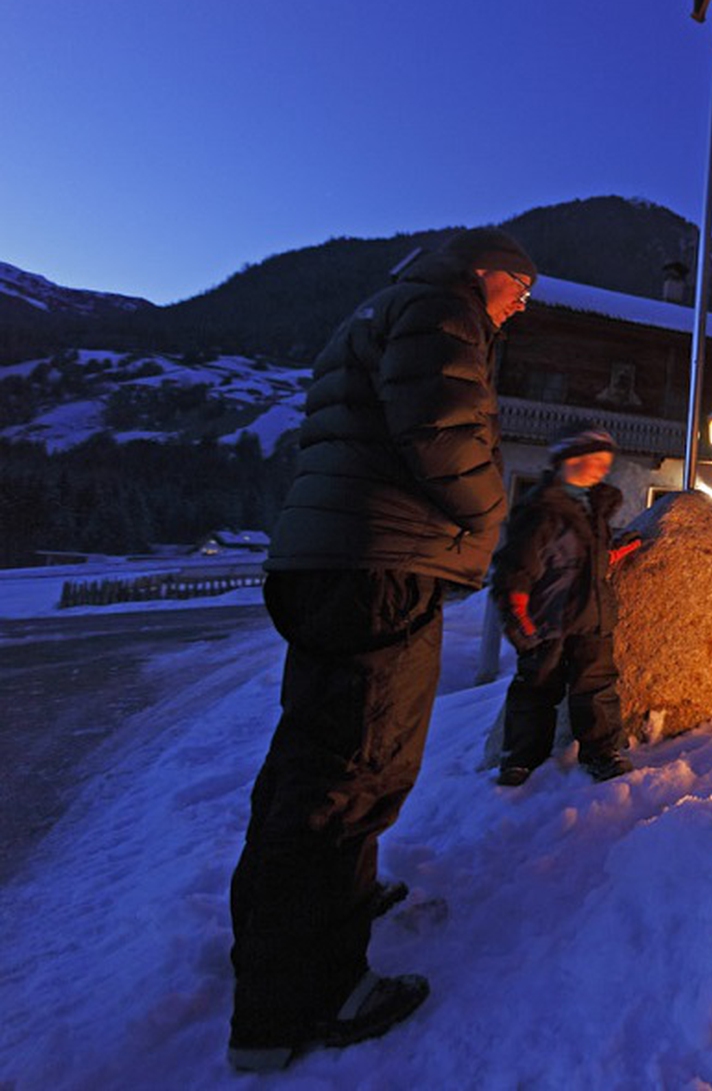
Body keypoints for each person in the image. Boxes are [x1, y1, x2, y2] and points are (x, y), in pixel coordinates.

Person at [226, 228, 536, 1072]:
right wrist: (491, 516)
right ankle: (305, 997)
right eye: (520, 290)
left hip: (329, 558)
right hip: (380, 565)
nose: (519, 309)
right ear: (487, 272)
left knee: (309, 756)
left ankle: (273, 940)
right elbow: (444, 435)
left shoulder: (377, 309)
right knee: (354, 772)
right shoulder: (444, 310)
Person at [492, 424, 642, 786]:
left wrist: (617, 552)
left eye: (605, 462)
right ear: (568, 460)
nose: (601, 469)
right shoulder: (542, 510)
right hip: (549, 618)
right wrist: (517, 608)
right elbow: (518, 566)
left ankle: (602, 752)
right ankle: (521, 758)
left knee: (597, 687)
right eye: (593, 460)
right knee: (536, 688)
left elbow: (591, 558)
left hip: (592, 616)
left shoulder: (593, 507)